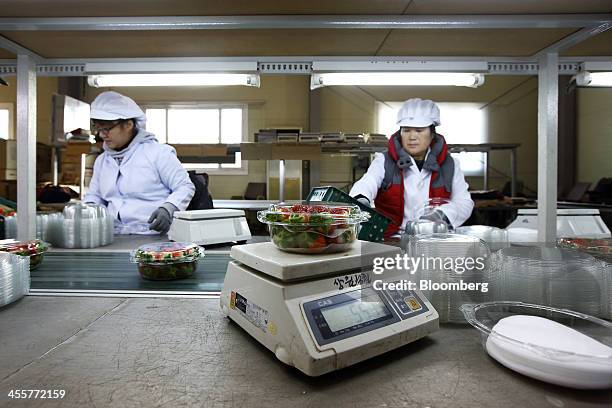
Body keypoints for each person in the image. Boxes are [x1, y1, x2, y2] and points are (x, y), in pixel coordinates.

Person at [350, 98, 474, 238]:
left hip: (433, 238)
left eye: (419, 130)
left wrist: (441, 214)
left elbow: (464, 202)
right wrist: (360, 200)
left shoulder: (450, 164)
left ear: (432, 133)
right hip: (391, 238)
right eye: (406, 130)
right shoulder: (384, 161)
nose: (412, 137)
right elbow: (367, 183)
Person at [83, 91, 195, 235]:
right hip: (113, 235)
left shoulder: (158, 153)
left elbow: (184, 186)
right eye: (98, 128)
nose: (101, 134)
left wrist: (169, 207)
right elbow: (95, 196)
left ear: (128, 124)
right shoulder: (102, 161)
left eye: (107, 128)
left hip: (154, 235)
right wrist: (89, 209)